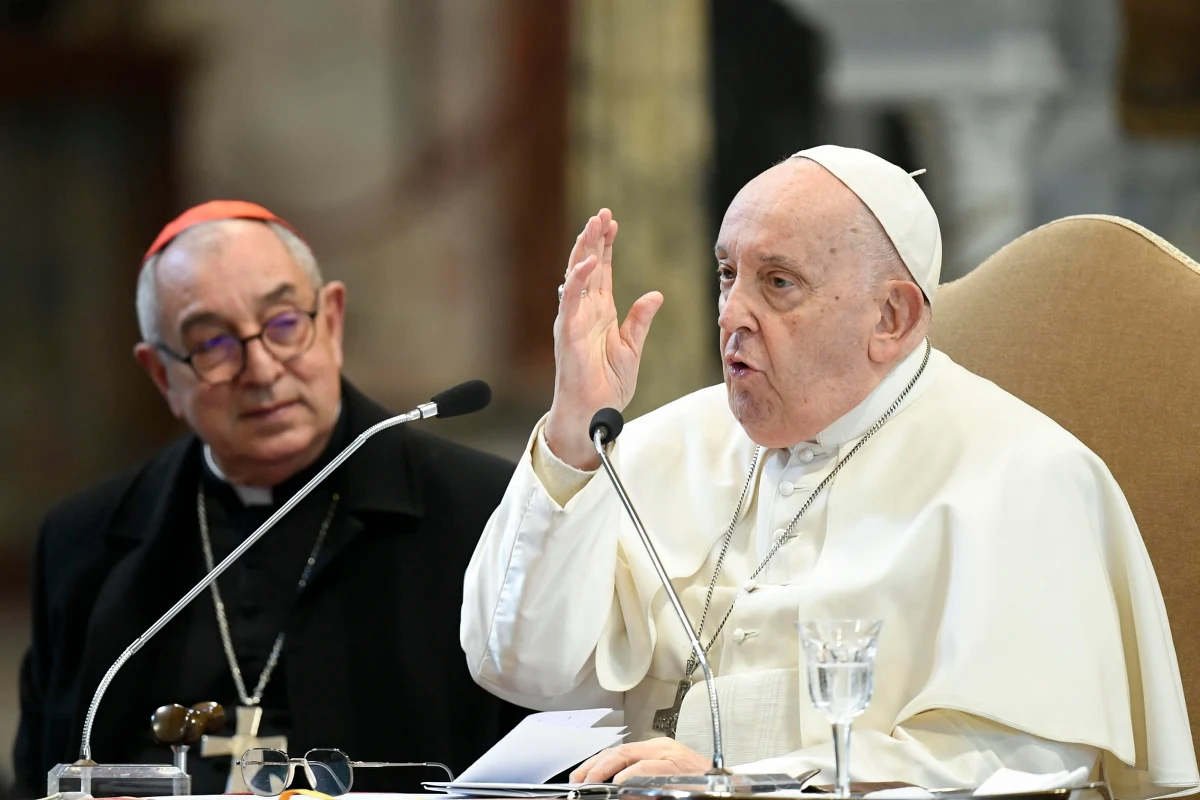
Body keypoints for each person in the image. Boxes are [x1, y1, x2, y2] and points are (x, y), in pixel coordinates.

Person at [461, 146, 1199, 798]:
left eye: (778, 283)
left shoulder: (1027, 478)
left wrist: (743, 788)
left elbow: (1016, 765)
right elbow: (519, 668)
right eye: (727, 274)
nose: (731, 314)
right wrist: (571, 430)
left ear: (893, 319)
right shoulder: (652, 449)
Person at [15, 201, 527, 797]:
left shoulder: (484, 512)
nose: (261, 369)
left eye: (284, 324)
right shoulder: (85, 541)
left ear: (331, 322)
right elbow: (40, 775)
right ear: (162, 376)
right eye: (212, 344)